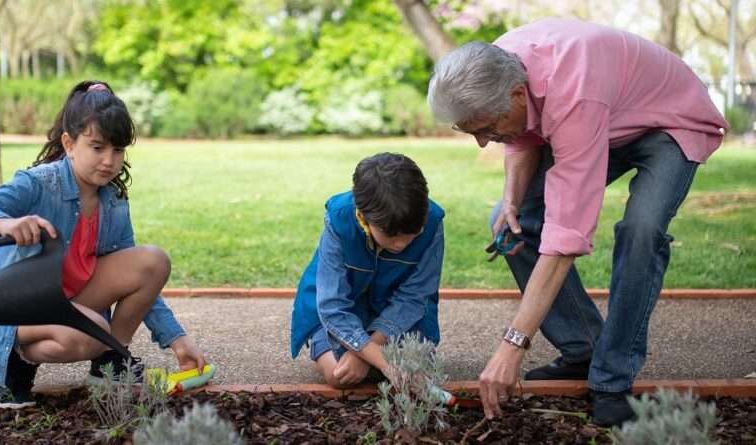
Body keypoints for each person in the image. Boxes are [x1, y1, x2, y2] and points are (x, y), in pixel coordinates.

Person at [426, 18, 728, 427]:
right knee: (510, 221)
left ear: (517, 93)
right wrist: (512, 199)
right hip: (607, 115)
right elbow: (521, 132)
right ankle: (584, 347)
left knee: (642, 231)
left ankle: (612, 377)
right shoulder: (496, 63)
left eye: (485, 129)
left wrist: (512, 345)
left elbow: (565, 238)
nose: (483, 142)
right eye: (471, 132)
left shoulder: (573, 93)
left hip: (669, 122)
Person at [0, 81, 206, 409]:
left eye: (117, 150)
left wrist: (177, 339)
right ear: (69, 143)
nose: (109, 161)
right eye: (97, 147)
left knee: (153, 261)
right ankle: (14, 364)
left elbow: (137, 278)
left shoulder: (113, 201)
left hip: (67, 298)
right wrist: (7, 223)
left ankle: (110, 362)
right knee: (90, 332)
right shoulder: (39, 183)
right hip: (10, 306)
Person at [290, 152, 445, 388]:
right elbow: (333, 305)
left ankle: (362, 351)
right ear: (364, 215)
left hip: (400, 313)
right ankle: (328, 343)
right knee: (338, 377)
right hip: (342, 309)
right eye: (392, 235)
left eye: (413, 234)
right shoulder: (338, 218)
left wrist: (364, 350)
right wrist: (384, 361)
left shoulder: (433, 222)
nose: (402, 244)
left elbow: (414, 298)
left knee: (417, 372)